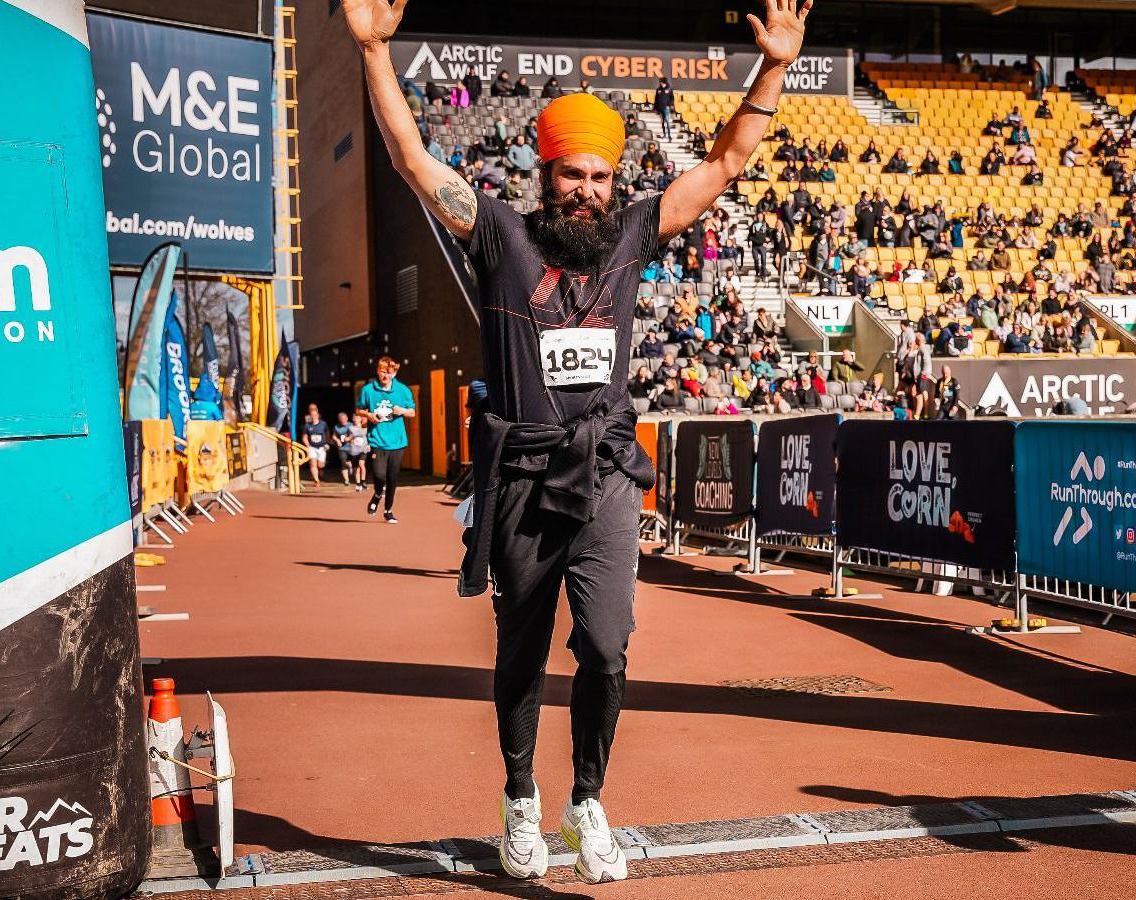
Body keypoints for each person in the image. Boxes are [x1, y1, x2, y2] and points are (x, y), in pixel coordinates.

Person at [345, 0, 814, 885]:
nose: (588, 190)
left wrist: (777, 67)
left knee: (605, 642)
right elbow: (412, 159)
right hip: (522, 477)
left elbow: (724, 160)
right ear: (544, 171)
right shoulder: (499, 235)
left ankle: (586, 801)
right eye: (572, 175)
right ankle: (520, 801)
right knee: (520, 653)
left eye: (601, 177)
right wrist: (374, 50)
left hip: (604, 476)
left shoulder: (634, 234)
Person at [356, 356, 416, 523]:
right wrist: (369, 415)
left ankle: (388, 510)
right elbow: (359, 410)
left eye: (389, 373)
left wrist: (401, 411)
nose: (385, 376)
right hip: (377, 440)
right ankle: (377, 494)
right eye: (382, 372)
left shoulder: (403, 390)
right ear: (377, 371)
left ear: (394, 373)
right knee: (379, 475)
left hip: (397, 442)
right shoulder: (368, 390)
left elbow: (412, 412)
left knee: (392, 479)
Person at [300, 403, 329, 488]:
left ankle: (320, 470)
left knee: (320, 465)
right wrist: (307, 445)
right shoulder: (307, 426)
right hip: (312, 447)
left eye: (315, 415)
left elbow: (327, 433)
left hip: (322, 447)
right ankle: (316, 480)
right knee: (313, 464)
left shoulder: (323, 424)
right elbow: (304, 437)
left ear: (318, 415)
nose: (314, 416)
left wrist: (327, 443)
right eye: (312, 415)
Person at [653, 76, 675, 141]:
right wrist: (656, 108)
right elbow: (656, 99)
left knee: (667, 121)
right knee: (662, 122)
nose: (660, 83)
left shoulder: (669, 89)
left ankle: (669, 135)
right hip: (660, 108)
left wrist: (670, 105)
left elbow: (672, 98)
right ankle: (664, 134)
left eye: (661, 82)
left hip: (666, 108)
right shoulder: (658, 90)